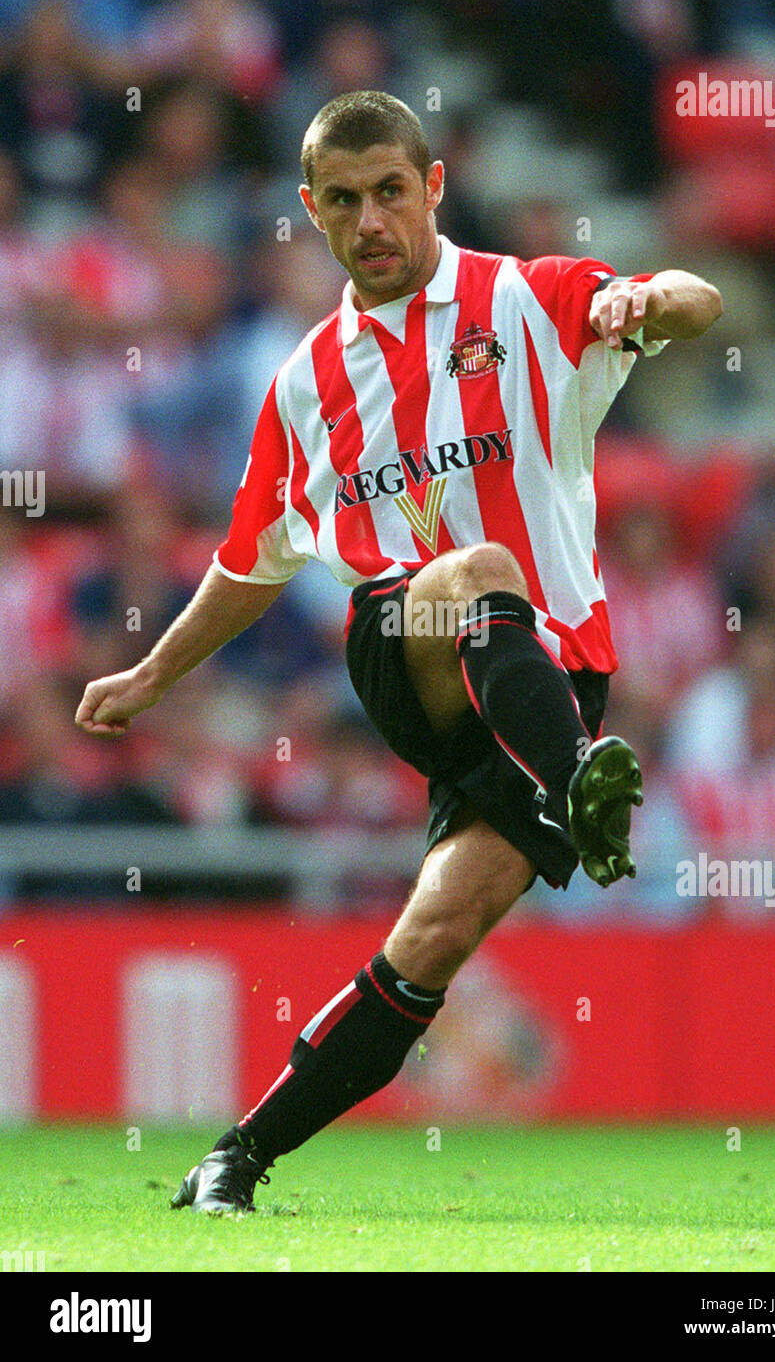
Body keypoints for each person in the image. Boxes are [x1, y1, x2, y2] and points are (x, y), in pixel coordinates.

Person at [75, 91, 722, 1213]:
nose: (368, 219)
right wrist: (150, 674)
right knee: (468, 573)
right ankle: (579, 787)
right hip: (409, 649)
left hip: (551, 685)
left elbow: (693, 300)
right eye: (340, 200)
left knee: (433, 933)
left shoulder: (525, 299)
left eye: (387, 192)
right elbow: (247, 564)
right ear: (310, 212)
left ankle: (232, 1157)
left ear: (428, 188)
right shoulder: (304, 383)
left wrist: (644, 297)